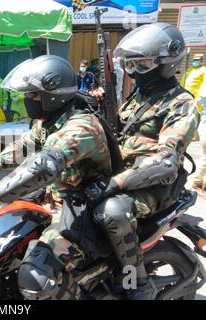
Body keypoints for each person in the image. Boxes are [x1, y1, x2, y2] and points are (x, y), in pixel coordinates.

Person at [0, 55, 113, 300]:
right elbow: (22, 147)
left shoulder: (80, 128)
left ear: (53, 95)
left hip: (84, 209)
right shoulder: (49, 123)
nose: (26, 100)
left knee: (36, 276)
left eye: (32, 94)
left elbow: (40, 168)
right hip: (56, 201)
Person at [87, 23, 200, 299]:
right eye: (131, 65)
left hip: (156, 185)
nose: (136, 72)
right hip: (126, 173)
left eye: (143, 63)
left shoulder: (181, 104)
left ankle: (137, 283)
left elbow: (166, 163)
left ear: (167, 63)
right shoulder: (141, 95)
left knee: (112, 212)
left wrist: (113, 184)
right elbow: (123, 130)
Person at [192, 81, 206, 193]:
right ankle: (198, 182)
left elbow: (199, 103)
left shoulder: (204, 86)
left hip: (203, 126)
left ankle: (199, 182)